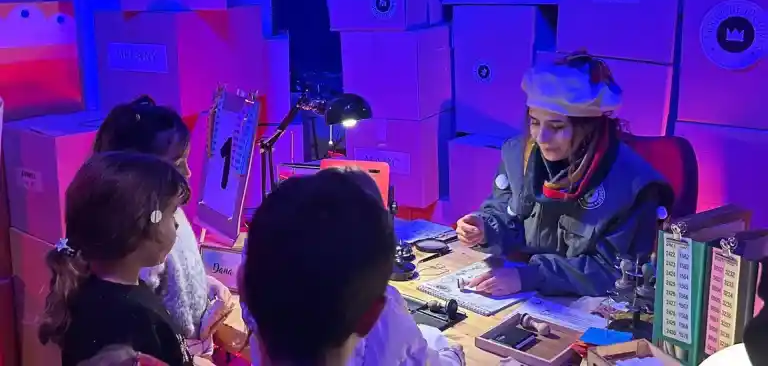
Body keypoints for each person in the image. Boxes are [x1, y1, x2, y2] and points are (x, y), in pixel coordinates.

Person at [455, 51, 674, 297]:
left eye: (557, 126)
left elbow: (614, 271)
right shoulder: (519, 154)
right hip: (523, 287)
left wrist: (531, 276)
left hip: (589, 302)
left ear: (588, 128)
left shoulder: (633, 185)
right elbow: (508, 214)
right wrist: (485, 228)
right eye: (535, 122)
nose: (541, 138)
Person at [239, 167, 465, 365]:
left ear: (244, 286)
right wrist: (454, 357)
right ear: (371, 315)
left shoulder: (257, 302)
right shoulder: (389, 316)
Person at [93, 96, 233, 356]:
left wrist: (207, 286)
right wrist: (187, 355)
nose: (188, 173)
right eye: (178, 163)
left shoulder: (168, 213)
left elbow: (174, 281)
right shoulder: (142, 241)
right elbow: (147, 324)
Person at [37, 152, 193, 366]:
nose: (176, 224)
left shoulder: (95, 290)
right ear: (143, 226)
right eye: (172, 213)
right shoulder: (131, 321)